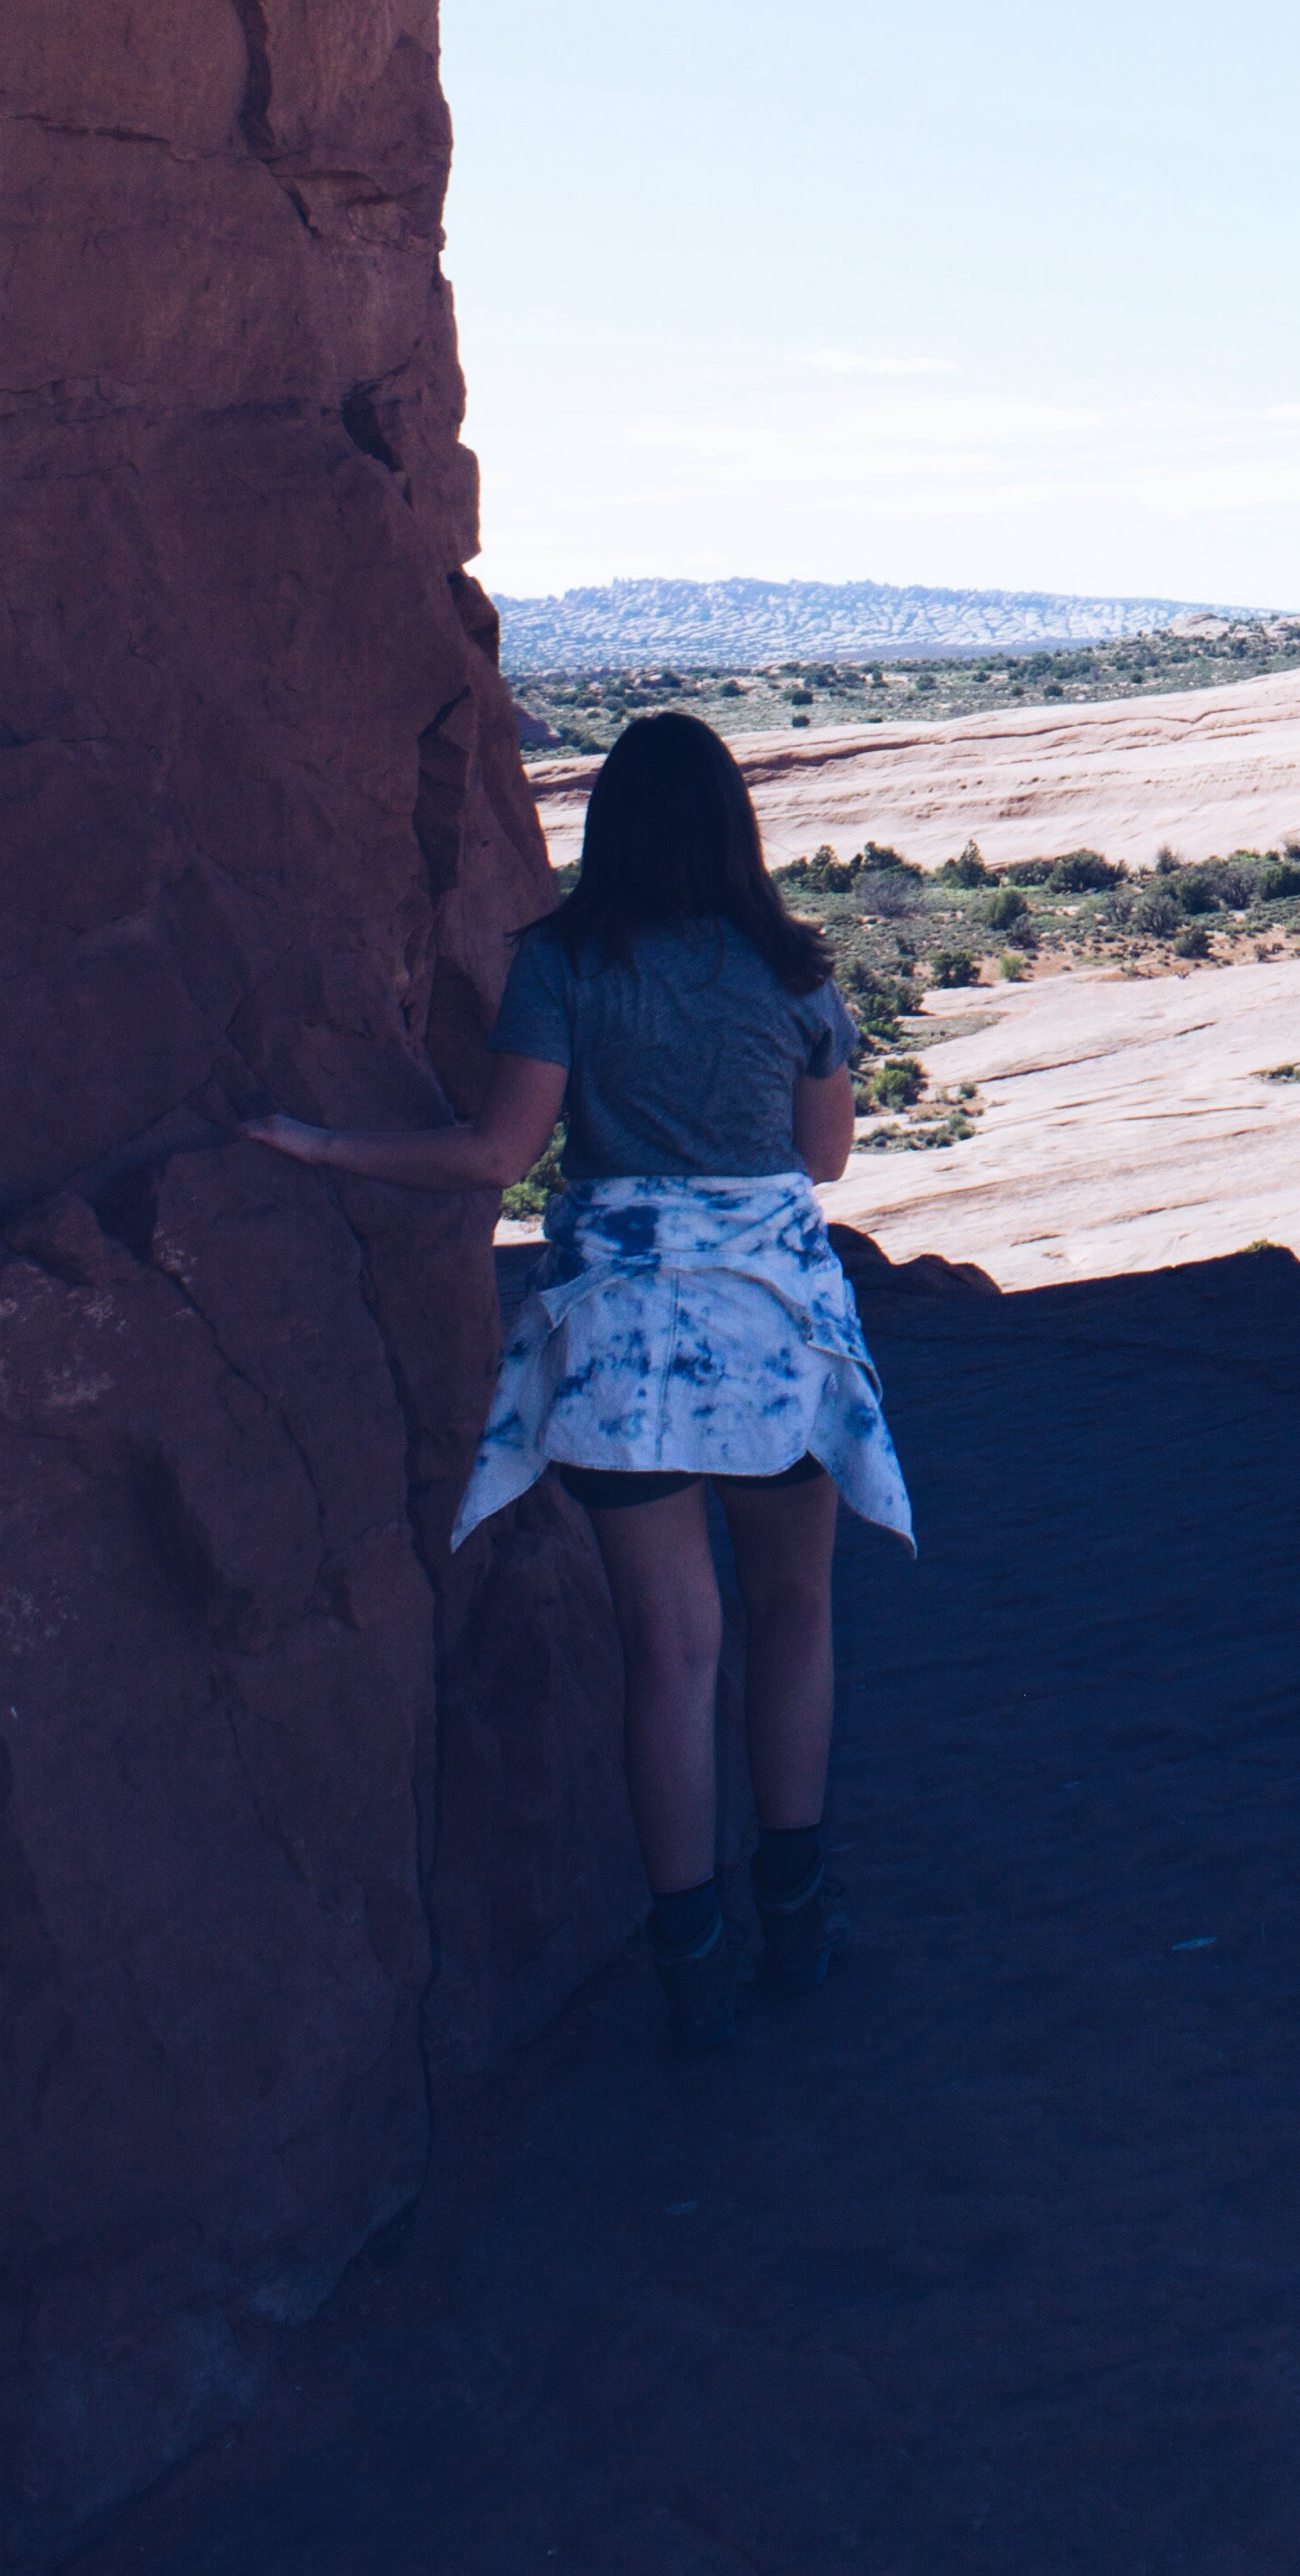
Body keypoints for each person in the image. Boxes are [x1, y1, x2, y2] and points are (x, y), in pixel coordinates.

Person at [247, 710, 916, 2049]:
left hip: (623, 1342)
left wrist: (320, 1146)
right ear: (734, 831)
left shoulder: (561, 965)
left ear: (609, 830)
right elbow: (825, 1160)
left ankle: (692, 1969)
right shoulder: (795, 971)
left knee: (671, 1650)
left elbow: (494, 1157)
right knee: (794, 1616)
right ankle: (796, 1923)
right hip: (774, 1333)